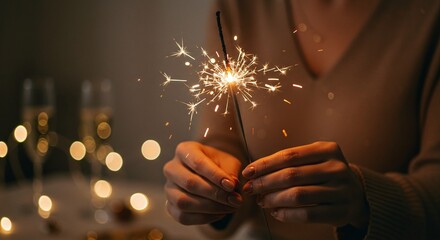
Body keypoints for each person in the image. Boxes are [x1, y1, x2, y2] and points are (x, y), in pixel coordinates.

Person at [163, 0, 440, 239]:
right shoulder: (239, 7)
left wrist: (364, 201)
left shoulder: (428, 17)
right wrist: (208, 189)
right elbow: (226, 141)